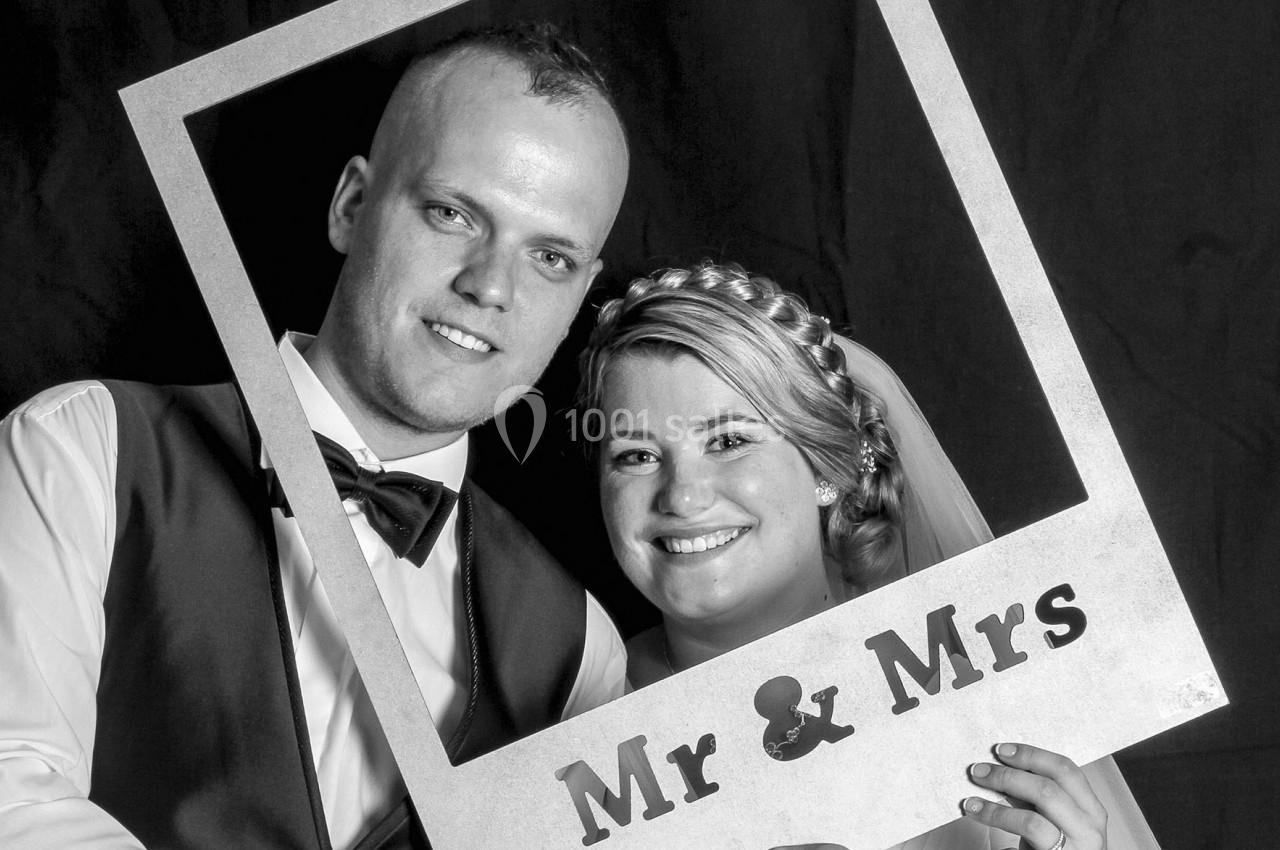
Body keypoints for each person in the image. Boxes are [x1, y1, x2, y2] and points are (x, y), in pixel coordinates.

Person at [0, 24, 630, 850]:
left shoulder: (580, 647)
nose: (489, 286)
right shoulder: (85, 449)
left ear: (583, 291)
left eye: (549, 257)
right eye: (451, 214)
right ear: (351, 206)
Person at [578, 262, 1162, 850]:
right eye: (635, 456)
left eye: (729, 441)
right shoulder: (569, 745)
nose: (682, 496)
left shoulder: (983, 703)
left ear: (826, 470)